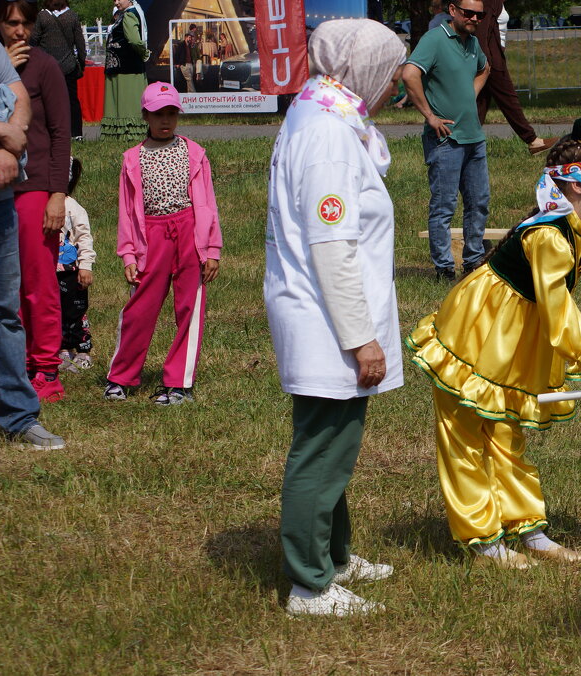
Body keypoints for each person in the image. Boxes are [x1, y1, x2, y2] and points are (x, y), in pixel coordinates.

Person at [406, 130, 581, 569]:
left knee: (507, 428)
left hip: (521, 333)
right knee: (466, 430)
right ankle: (482, 540)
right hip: (479, 325)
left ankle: (527, 528)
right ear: (575, 185)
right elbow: (558, 308)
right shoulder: (546, 235)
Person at [264, 19, 405, 618]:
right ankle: (309, 585)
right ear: (359, 68)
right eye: (389, 70)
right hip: (328, 321)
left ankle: (334, 554)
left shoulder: (323, 114)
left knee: (335, 447)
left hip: (328, 312)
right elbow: (331, 244)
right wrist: (360, 338)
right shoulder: (327, 134)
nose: (395, 84)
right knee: (321, 452)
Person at [0, 24, 65, 449]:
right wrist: (2, 133)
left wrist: (10, 146)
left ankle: (18, 417)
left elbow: (20, 98)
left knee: (3, 313)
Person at [105, 82, 222, 404]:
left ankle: (178, 383)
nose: (165, 120)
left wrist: (211, 249)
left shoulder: (195, 153)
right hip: (151, 238)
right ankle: (121, 378)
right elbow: (127, 211)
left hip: (189, 234)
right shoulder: (132, 158)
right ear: (145, 115)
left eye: (171, 113)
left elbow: (208, 203)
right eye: (157, 114)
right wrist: (128, 254)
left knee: (189, 308)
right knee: (139, 309)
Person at [0, 0, 72, 403]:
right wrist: (1, 68)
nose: (20, 32)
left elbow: (63, 135)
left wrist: (57, 194)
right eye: (12, 23)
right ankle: (15, 364)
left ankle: (45, 367)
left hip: (35, 191)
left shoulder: (45, 67)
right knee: (1, 286)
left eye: (27, 23)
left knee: (37, 282)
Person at [403, 0, 491, 282]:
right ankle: (443, 268)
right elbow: (410, 73)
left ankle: (473, 261)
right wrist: (430, 114)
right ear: (453, 10)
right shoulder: (435, 39)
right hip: (445, 140)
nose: (474, 18)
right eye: (468, 13)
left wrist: (468, 95)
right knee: (444, 206)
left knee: (479, 202)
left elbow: (484, 69)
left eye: (479, 14)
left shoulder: (472, 43)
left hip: (474, 137)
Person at [474, 0, 554, 155]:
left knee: (481, 103)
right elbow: (481, 33)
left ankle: (465, 141)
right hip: (490, 58)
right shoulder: (489, 1)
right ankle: (532, 140)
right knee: (508, 99)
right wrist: (485, 63)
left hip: (494, 54)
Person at [56, 157, 93, 372]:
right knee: (55, 311)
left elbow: (84, 237)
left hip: (72, 272)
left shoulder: (72, 207)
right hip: (49, 271)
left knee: (76, 311)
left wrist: (86, 265)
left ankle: (82, 349)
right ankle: (62, 349)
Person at [30, 0, 85, 141]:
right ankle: (76, 133)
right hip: (69, 65)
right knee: (72, 100)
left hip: (47, 67)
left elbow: (33, 41)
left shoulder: (42, 17)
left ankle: (48, 132)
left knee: (47, 101)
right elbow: (80, 44)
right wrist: (82, 64)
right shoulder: (72, 16)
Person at [101, 0, 148, 140]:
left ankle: (129, 134)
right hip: (120, 67)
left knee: (126, 101)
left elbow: (134, 39)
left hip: (127, 68)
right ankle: (120, 133)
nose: (115, 3)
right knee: (120, 100)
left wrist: (144, 52)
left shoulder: (130, 15)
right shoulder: (126, 14)